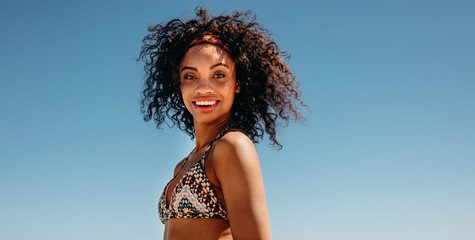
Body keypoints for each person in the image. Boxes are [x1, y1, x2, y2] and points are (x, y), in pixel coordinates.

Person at [138, 7, 305, 240]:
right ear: (179, 85)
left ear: (237, 83)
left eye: (218, 75)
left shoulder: (232, 146)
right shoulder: (184, 164)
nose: (203, 88)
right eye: (190, 76)